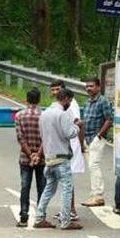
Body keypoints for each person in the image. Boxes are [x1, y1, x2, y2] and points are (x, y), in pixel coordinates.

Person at [34, 88, 83, 230]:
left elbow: (42, 135)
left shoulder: (44, 114)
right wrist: (77, 126)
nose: (70, 104)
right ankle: (66, 221)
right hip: (61, 158)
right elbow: (69, 133)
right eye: (70, 101)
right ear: (66, 99)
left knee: (49, 189)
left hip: (49, 158)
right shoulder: (63, 114)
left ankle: (39, 218)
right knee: (67, 189)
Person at [48, 79, 84, 222]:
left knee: (67, 179)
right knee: (64, 179)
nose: (55, 92)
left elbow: (78, 124)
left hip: (70, 145)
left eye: (57, 89)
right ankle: (67, 209)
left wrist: (81, 146)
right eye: (52, 90)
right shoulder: (60, 105)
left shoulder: (70, 104)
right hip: (64, 144)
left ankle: (71, 210)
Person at [14, 88, 45, 227]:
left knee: (25, 187)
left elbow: (20, 138)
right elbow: (46, 138)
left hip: (25, 158)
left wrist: (30, 155)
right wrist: (38, 154)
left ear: (26, 100)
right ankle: (40, 216)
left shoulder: (19, 115)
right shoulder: (44, 115)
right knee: (42, 187)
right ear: (39, 100)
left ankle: (23, 217)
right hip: (42, 158)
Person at [81, 77, 112, 207]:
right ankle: (94, 195)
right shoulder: (88, 102)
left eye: (91, 86)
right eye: (87, 86)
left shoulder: (103, 101)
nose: (88, 88)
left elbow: (109, 119)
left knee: (94, 165)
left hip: (96, 138)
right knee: (91, 166)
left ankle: (98, 196)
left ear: (98, 87)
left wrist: (99, 135)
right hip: (87, 138)